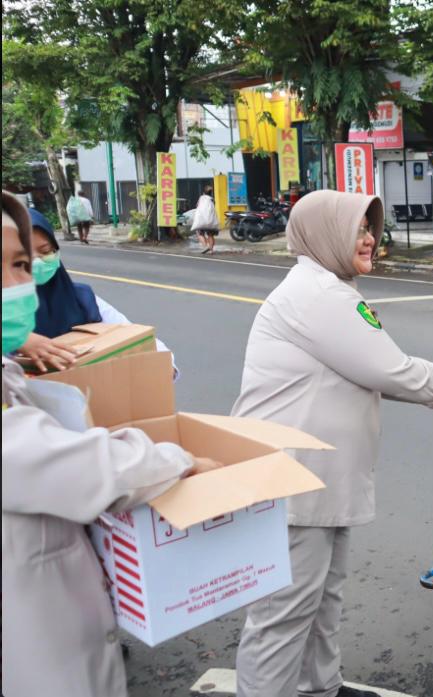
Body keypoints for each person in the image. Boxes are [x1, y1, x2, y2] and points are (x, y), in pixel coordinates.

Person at [231, 190, 433, 697]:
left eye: (369, 227)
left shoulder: (326, 290)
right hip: (290, 484)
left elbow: (372, 374)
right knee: (281, 618)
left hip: (313, 483)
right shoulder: (319, 296)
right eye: (356, 228)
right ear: (323, 235)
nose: (368, 238)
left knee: (320, 602)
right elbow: (390, 369)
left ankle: (321, 687)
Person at [1, 190, 222, 697]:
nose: (19, 285)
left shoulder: (73, 307)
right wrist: (180, 461)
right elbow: (72, 462)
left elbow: (149, 351)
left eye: (23, 262)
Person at [14, 209, 179, 378]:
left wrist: (165, 364)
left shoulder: (81, 297)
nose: (36, 261)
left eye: (45, 251)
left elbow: (129, 332)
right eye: (23, 255)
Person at [191, 184, 220, 255]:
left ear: (203, 192)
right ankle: (211, 250)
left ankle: (206, 246)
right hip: (211, 220)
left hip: (202, 220)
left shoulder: (201, 198)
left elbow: (197, 206)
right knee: (210, 235)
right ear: (211, 193)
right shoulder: (212, 199)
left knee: (200, 233)